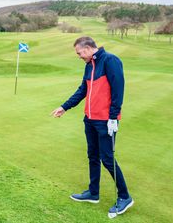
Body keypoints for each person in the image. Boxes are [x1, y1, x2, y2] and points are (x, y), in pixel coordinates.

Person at [51, 36, 133, 217]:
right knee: (93, 156)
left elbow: (118, 89)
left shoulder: (110, 61)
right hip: (90, 119)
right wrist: (64, 107)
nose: (79, 56)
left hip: (106, 120)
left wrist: (113, 117)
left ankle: (125, 196)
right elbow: (83, 90)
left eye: (79, 53)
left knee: (107, 158)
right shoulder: (89, 65)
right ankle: (93, 192)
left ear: (88, 48)